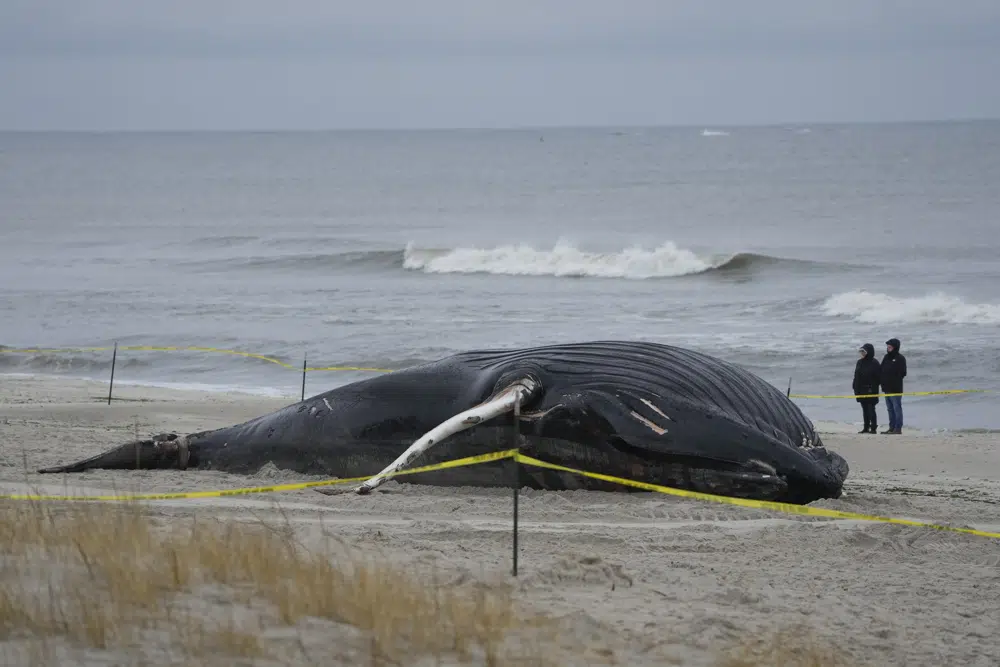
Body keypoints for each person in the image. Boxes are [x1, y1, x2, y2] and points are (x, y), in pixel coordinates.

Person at [879, 337, 907, 434]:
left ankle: (898, 428)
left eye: (890, 347)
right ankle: (891, 427)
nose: (888, 348)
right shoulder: (886, 357)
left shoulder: (900, 358)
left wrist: (893, 379)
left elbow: (903, 373)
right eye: (888, 347)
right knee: (890, 409)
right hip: (886, 388)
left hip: (895, 389)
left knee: (896, 408)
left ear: (895, 347)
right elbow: (881, 369)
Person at [853, 343, 881, 434]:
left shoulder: (874, 363)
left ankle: (873, 428)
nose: (862, 354)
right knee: (864, 409)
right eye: (861, 352)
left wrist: (872, 386)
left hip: (871, 390)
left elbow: (878, 378)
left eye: (864, 352)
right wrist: (855, 387)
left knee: (871, 409)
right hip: (861, 390)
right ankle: (866, 427)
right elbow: (856, 376)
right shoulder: (859, 362)